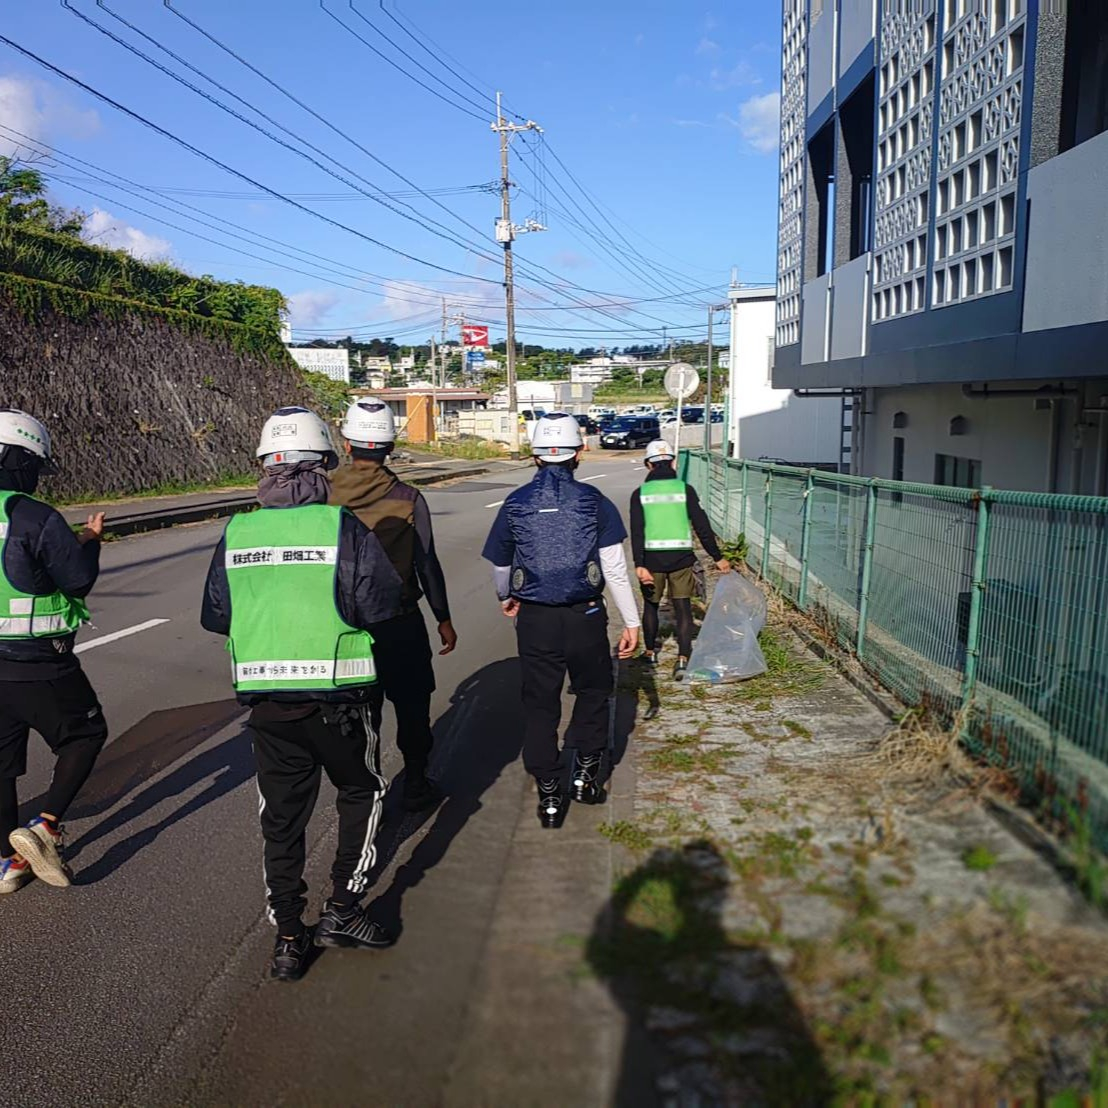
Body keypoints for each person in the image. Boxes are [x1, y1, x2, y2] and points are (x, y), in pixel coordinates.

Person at [201, 406, 404, 982]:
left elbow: (217, 615)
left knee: (281, 820)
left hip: (268, 706)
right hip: (340, 700)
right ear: (322, 471)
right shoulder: (343, 529)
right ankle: (342, 909)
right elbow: (382, 606)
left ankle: (289, 937)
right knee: (362, 792)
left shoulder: (236, 532)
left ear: (265, 469)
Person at [481, 414, 640, 829]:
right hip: (585, 614)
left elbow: (500, 563)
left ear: (534, 455)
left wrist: (506, 595)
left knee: (540, 703)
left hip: (535, 618)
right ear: (580, 451)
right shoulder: (595, 502)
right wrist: (632, 620)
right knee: (592, 690)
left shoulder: (515, 503)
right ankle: (587, 776)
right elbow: (614, 568)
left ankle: (550, 792)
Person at [329, 398, 455, 813]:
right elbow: (427, 562)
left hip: (342, 626)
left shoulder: (322, 496)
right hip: (399, 621)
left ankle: (365, 795)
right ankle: (415, 781)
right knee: (412, 704)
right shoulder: (407, 496)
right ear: (388, 448)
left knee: (360, 712)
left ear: (347, 444)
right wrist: (443, 619)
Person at [0, 409, 107, 895]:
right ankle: (45, 828)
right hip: (39, 664)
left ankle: (8, 864)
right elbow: (78, 580)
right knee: (85, 734)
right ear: (19, 461)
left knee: (1, 766)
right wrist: (90, 542)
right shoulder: (35, 516)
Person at [630, 439, 730, 681]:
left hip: (652, 561)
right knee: (683, 608)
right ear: (673, 462)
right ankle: (684, 658)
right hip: (682, 560)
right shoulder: (685, 490)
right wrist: (717, 557)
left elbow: (637, 531)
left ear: (648, 465)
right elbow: (702, 527)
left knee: (651, 607)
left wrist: (639, 564)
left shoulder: (640, 494)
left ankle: (651, 652)